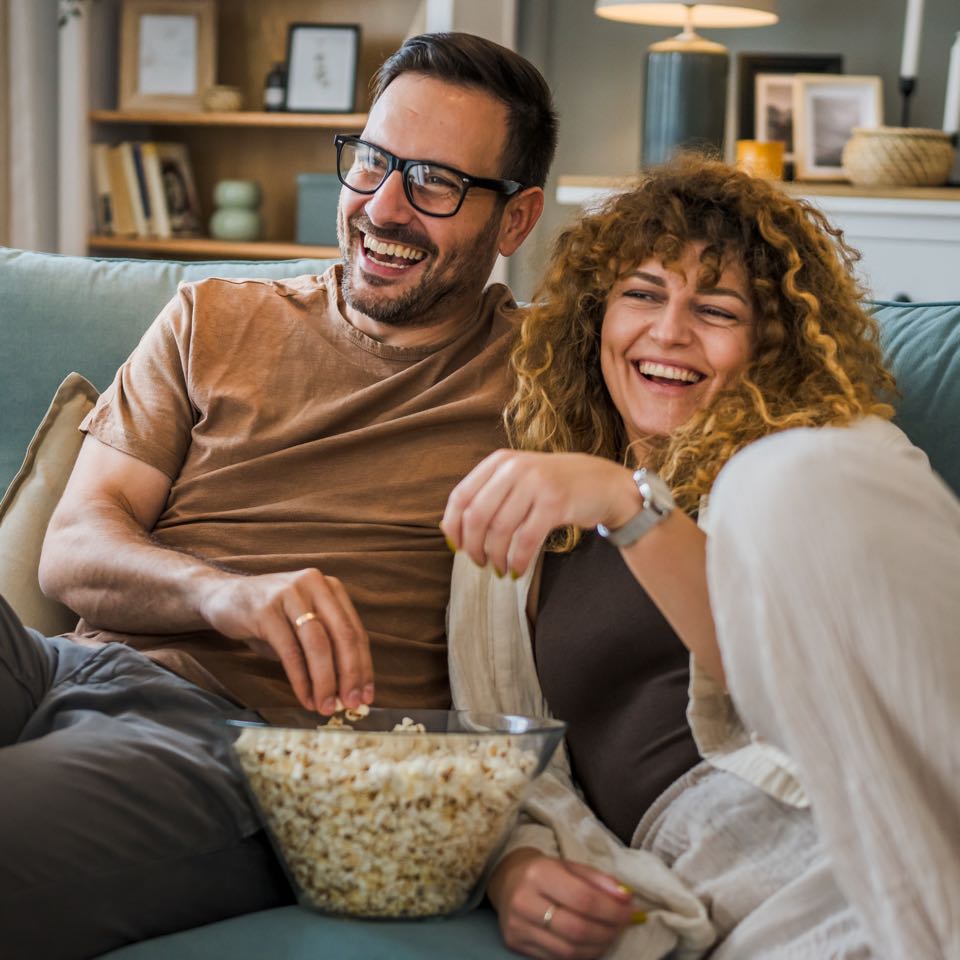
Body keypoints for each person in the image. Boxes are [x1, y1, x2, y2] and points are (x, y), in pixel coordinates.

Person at [0, 32, 555, 959]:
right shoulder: (213, 316)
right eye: (373, 161)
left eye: (435, 184)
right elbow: (75, 548)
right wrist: (221, 592)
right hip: (54, 663)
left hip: (248, 749)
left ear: (516, 219)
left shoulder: (555, 378)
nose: (383, 207)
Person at [442, 155, 960, 960]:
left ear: (771, 342)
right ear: (594, 318)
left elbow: (785, 678)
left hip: (846, 816)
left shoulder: (830, 466)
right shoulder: (532, 510)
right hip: (697, 875)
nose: (669, 331)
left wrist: (629, 503)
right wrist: (513, 866)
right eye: (642, 294)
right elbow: (508, 762)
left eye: (715, 309)